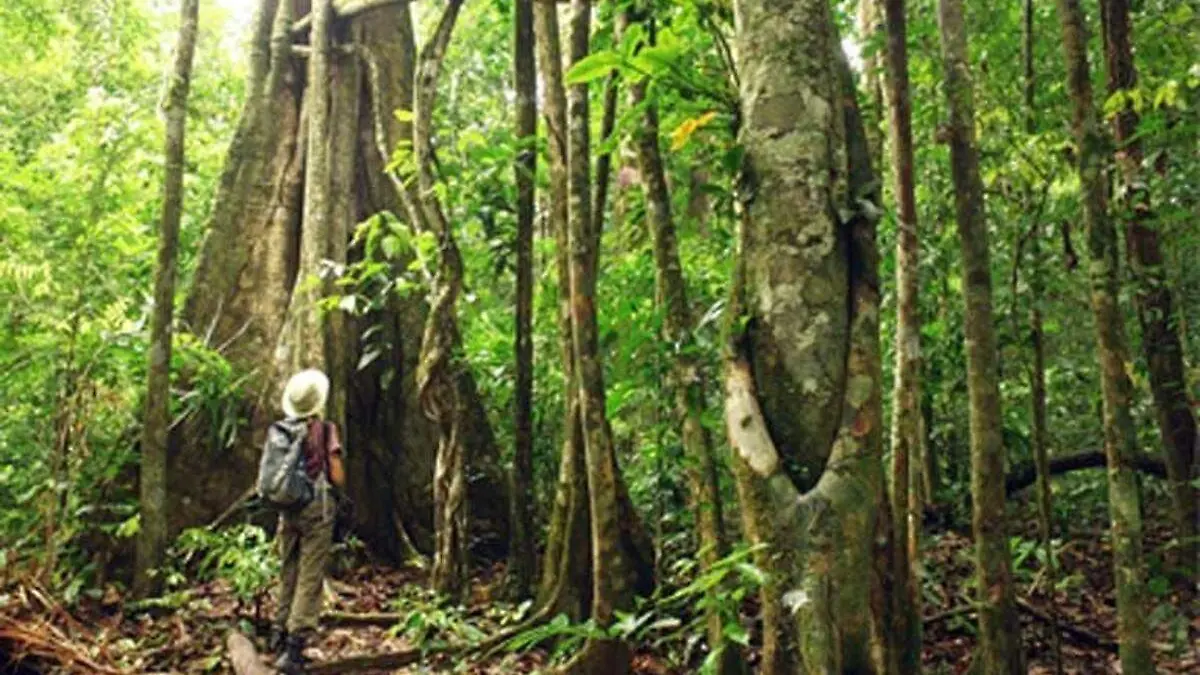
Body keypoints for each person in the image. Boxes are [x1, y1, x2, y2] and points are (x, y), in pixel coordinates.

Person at [269, 369, 345, 673]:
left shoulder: (282, 430)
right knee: (310, 574)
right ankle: (294, 649)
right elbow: (337, 474)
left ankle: (278, 631)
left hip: (287, 508)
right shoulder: (325, 429)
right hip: (316, 508)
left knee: (288, 567)